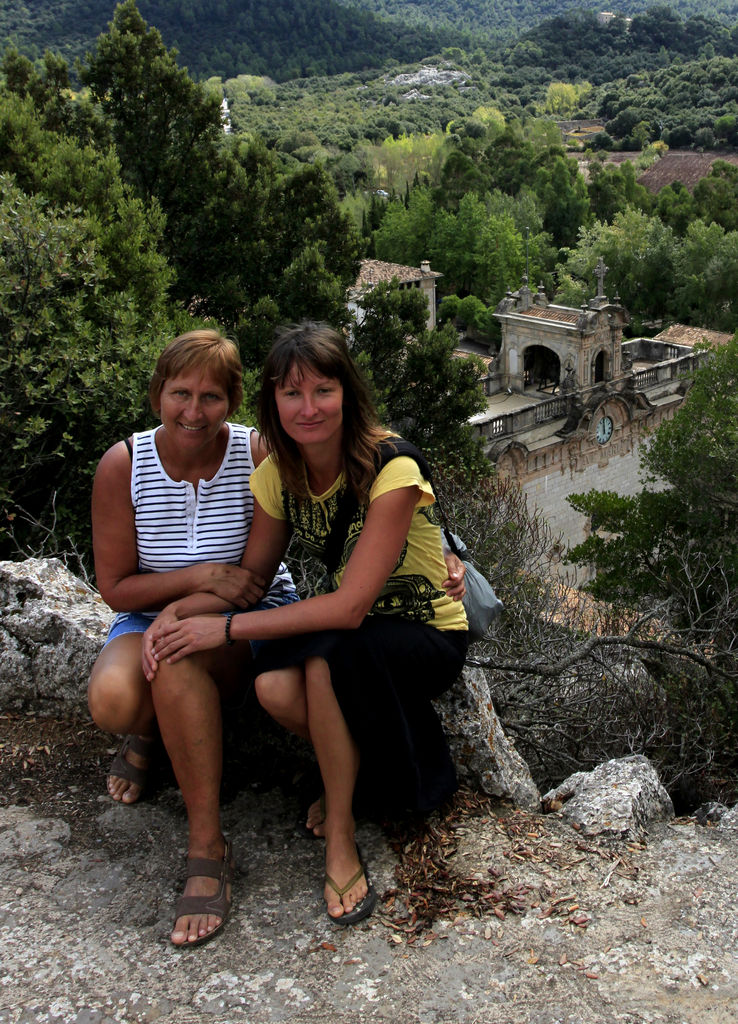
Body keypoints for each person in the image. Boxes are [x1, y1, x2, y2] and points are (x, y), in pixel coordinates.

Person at [147, 321, 470, 928]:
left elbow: (348, 607)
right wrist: (181, 611)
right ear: (272, 402)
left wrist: (223, 632)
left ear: (347, 392)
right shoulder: (277, 477)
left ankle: (342, 834)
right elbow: (254, 580)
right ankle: (352, 772)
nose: (309, 408)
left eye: (323, 390)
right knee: (274, 686)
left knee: (326, 656)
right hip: (353, 633)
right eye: (291, 394)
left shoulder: (391, 467)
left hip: (423, 635)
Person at [87, 328, 296, 948]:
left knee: (178, 663)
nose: (193, 411)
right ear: (158, 395)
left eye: (211, 396)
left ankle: (207, 847)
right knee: (113, 700)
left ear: (232, 401)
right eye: (180, 393)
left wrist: (185, 615)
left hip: (242, 620)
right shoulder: (123, 464)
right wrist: (198, 581)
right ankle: (149, 729)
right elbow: (118, 588)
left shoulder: (258, 456)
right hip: (155, 614)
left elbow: (255, 579)